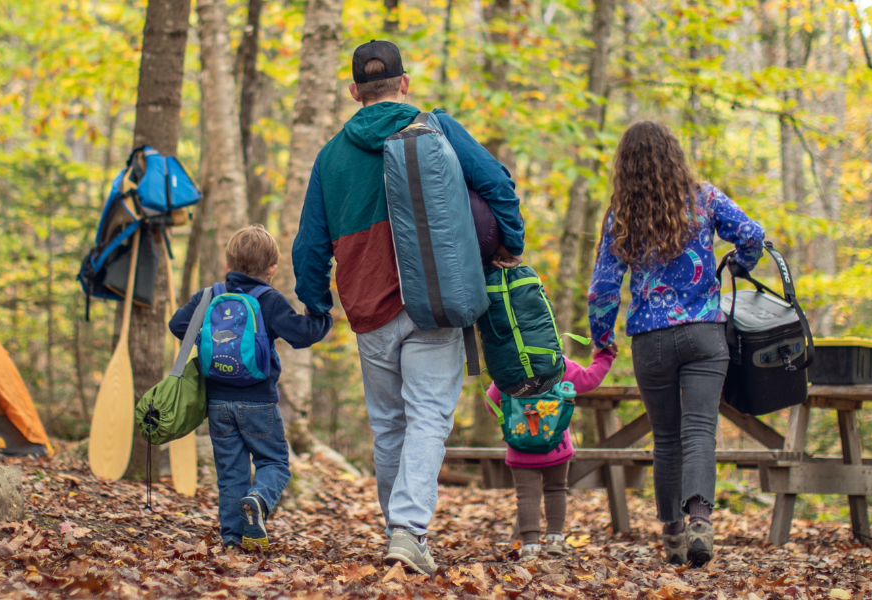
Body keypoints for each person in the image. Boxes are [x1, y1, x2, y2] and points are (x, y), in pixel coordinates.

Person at [290, 40, 526, 575]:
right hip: (436, 301)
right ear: (405, 83)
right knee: (428, 417)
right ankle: (407, 530)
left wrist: (316, 302)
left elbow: (310, 243)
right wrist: (510, 242)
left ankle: (398, 528)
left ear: (354, 92)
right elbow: (498, 183)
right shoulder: (436, 127)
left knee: (389, 425)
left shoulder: (330, 157)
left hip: (368, 309)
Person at [586, 121, 765, 568]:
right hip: (705, 333)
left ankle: (673, 535)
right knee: (700, 429)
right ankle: (701, 520)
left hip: (651, 339)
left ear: (625, 165)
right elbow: (752, 236)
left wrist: (602, 340)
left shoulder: (620, 215)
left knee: (666, 437)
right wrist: (738, 267)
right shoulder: (705, 199)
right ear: (674, 155)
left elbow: (604, 288)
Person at [169, 226, 334, 552]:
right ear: (271, 269)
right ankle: (258, 499)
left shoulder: (209, 296)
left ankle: (233, 541)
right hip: (259, 401)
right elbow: (302, 335)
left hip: (217, 401)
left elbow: (177, 325)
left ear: (228, 265)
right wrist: (323, 317)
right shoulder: (269, 300)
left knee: (231, 472)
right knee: (274, 463)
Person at [483, 346, 617, 561]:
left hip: (520, 444)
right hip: (557, 444)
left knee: (527, 495)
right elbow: (589, 379)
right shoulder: (557, 362)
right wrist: (604, 356)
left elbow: (491, 403)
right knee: (556, 489)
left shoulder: (508, 365)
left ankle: (530, 546)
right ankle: (555, 538)